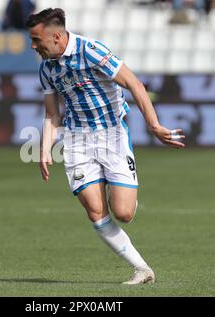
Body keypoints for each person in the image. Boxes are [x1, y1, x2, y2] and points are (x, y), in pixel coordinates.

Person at [26, 8, 185, 285]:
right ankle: (142, 269)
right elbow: (52, 114)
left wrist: (154, 125)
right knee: (95, 211)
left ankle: (122, 189)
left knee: (123, 213)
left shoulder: (92, 51)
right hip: (77, 139)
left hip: (112, 134)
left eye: (36, 40)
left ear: (55, 36)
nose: (33, 46)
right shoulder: (46, 69)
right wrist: (45, 147)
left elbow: (134, 83)